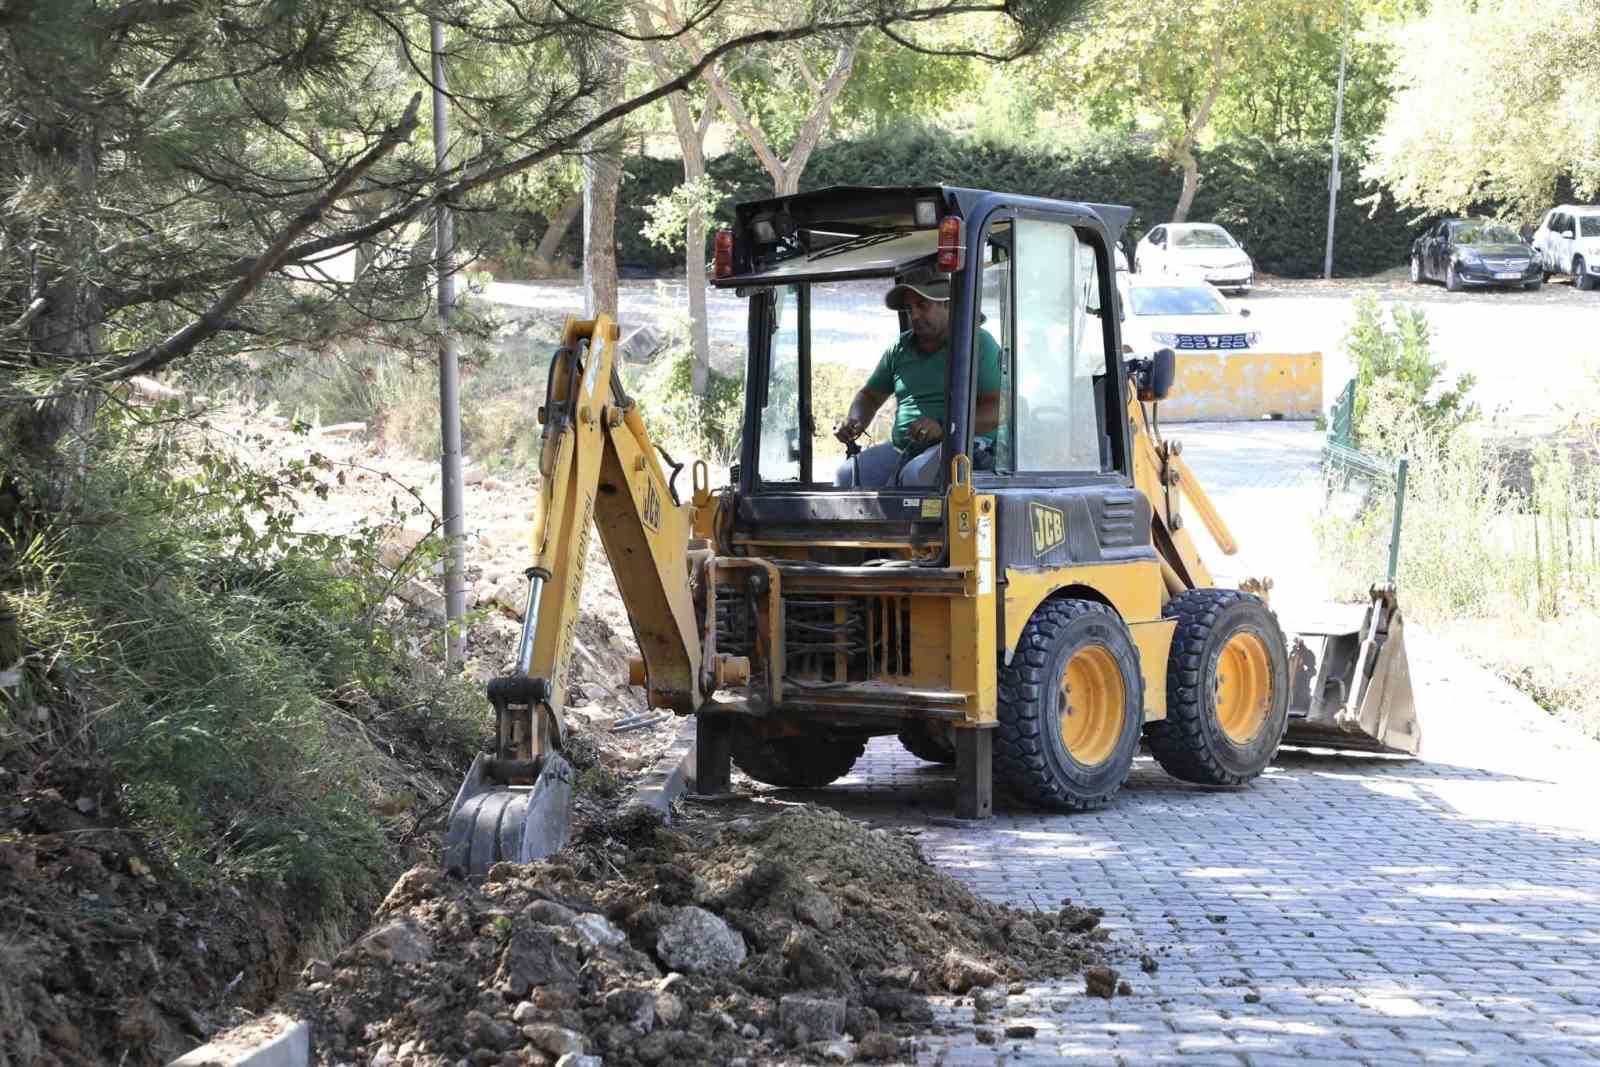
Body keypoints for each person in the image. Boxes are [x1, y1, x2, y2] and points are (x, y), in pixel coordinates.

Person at [833, 264, 1003, 487]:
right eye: (909, 308)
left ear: (947, 304)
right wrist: (854, 421)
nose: (914, 315)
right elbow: (870, 397)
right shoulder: (900, 348)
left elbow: (999, 409)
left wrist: (944, 426)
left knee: (915, 478)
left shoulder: (978, 344)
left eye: (922, 305)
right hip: (904, 448)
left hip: (960, 446)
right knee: (847, 475)